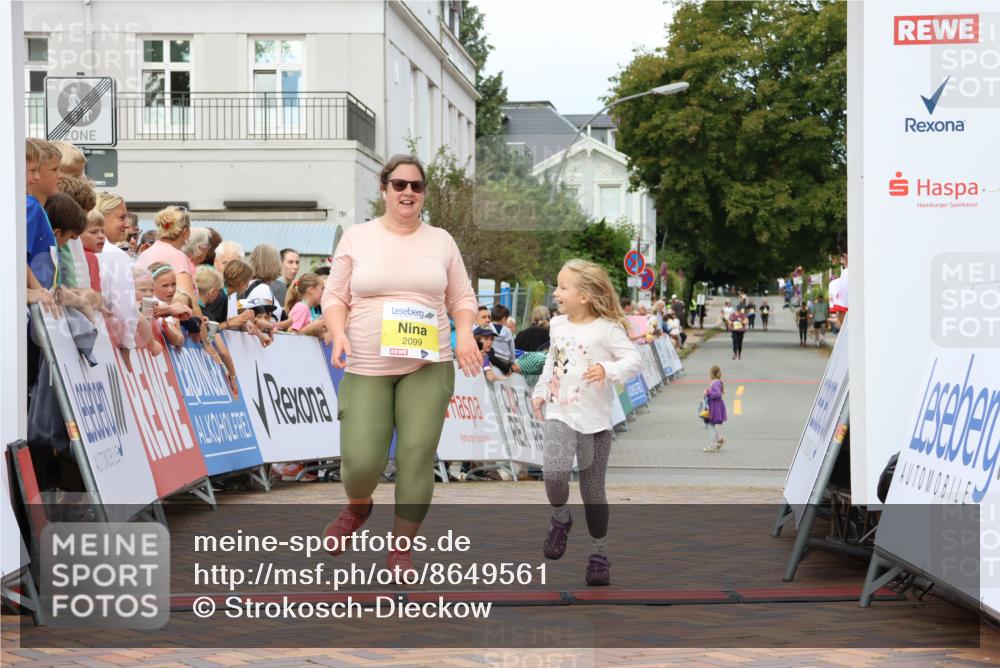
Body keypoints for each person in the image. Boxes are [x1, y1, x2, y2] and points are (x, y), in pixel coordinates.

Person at [320, 154, 480, 580]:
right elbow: (334, 297)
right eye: (399, 185)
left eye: (416, 186)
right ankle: (358, 506)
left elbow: (462, 298)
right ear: (383, 189)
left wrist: (464, 334)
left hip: (428, 365)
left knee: (415, 455)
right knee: (360, 462)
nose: (408, 192)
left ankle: (401, 550)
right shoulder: (357, 237)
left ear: (424, 193)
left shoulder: (441, 240)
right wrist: (338, 333)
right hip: (367, 364)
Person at [530, 259, 642, 586]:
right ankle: (561, 519)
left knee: (593, 492)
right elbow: (553, 360)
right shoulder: (558, 325)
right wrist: (540, 391)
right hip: (559, 413)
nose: (556, 292)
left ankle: (599, 553)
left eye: (563, 287)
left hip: (594, 422)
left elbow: (633, 359)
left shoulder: (607, 329)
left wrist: (609, 371)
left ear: (585, 296)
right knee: (553, 473)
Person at [135, 206, 201, 313]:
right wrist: (201, 328)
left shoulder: (144, 254)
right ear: (185, 231)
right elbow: (188, 303)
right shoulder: (177, 256)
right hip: (167, 325)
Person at [702, 365, 727, 453]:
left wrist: (708, 392)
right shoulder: (717, 382)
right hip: (714, 406)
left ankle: (713, 446)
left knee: (710, 426)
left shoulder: (716, 382)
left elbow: (717, 394)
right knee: (708, 425)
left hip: (714, 407)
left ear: (712, 373)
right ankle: (719, 440)